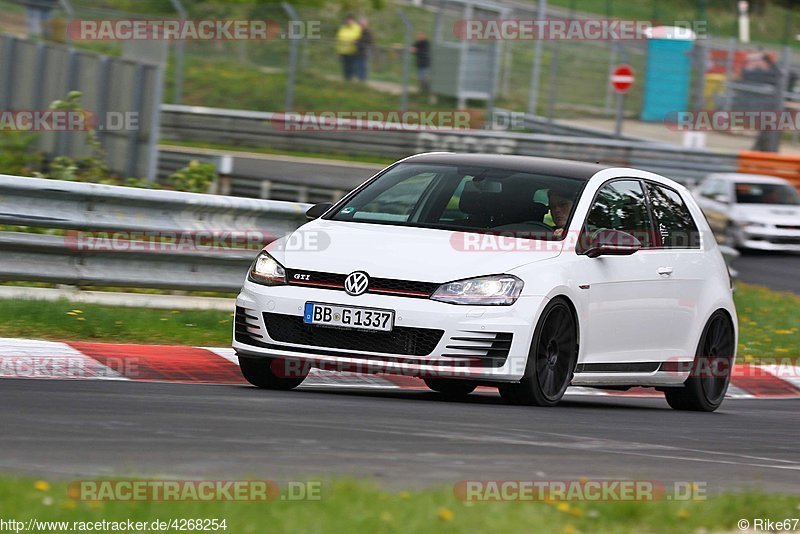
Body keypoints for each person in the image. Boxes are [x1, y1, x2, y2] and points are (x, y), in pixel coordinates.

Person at [335, 14, 362, 82]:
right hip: (343, 51)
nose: (348, 21)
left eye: (350, 20)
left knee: (352, 66)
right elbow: (338, 39)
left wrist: (356, 41)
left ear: (353, 20)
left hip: (353, 51)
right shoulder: (343, 28)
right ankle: (346, 79)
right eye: (347, 19)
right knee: (345, 66)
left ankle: (351, 80)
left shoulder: (357, 28)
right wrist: (338, 50)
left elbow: (359, 37)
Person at [355, 17, 373, 82]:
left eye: (363, 24)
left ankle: (363, 81)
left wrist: (358, 41)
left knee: (363, 68)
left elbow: (369, 40)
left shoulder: (368, 32)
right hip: (358, 53)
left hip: (364, 53)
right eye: (360, 24)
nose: (361, 25)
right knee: (359, 67)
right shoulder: (359, 32)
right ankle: (360, 80)